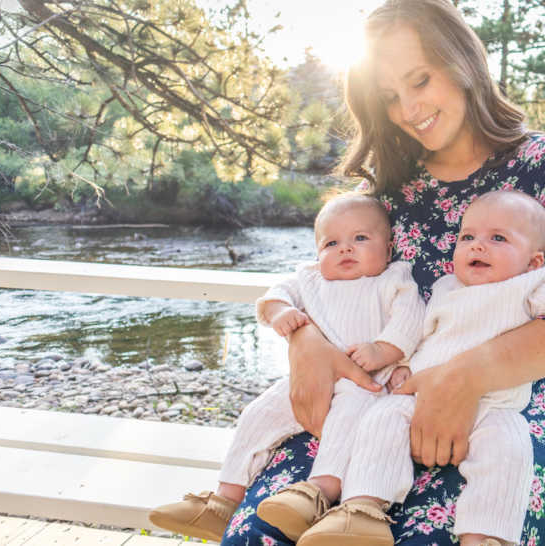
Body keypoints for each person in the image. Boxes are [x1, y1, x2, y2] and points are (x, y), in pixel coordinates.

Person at [223, 0, 545, 545]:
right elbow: (331, 279)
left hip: (510, 402)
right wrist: (305, 342)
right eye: (389, 96)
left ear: (461, 63)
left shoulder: (544, 164)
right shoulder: (388, 185)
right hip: (377, 394)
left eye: (420, 80)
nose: (408, 110)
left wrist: (462, 378)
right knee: (261, 536)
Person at [257, 190, 545, 546]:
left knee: (510, 447)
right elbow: (422, 336)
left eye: (498, 238)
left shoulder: (531, 285)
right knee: (381, 420)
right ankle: (363, 507)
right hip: (421, 393)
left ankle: (484, 534)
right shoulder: (447, 287)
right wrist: (403, 367)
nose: (478, 246)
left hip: (495, 403)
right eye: (468, 237)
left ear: (533, 261)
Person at [149, 193, 424, 542]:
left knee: (348, 416)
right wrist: (281, 313)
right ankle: (223, 500)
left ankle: (318, 491)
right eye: (331, 243)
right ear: (317, 253)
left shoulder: (393, 279)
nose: (345, 249)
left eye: (360, 239)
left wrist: (384, 349)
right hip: (309, 382)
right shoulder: (310, 280)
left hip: (367, 383)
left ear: (387, 250)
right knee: (258, 413)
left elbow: (410, 320)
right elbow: (274, 295)